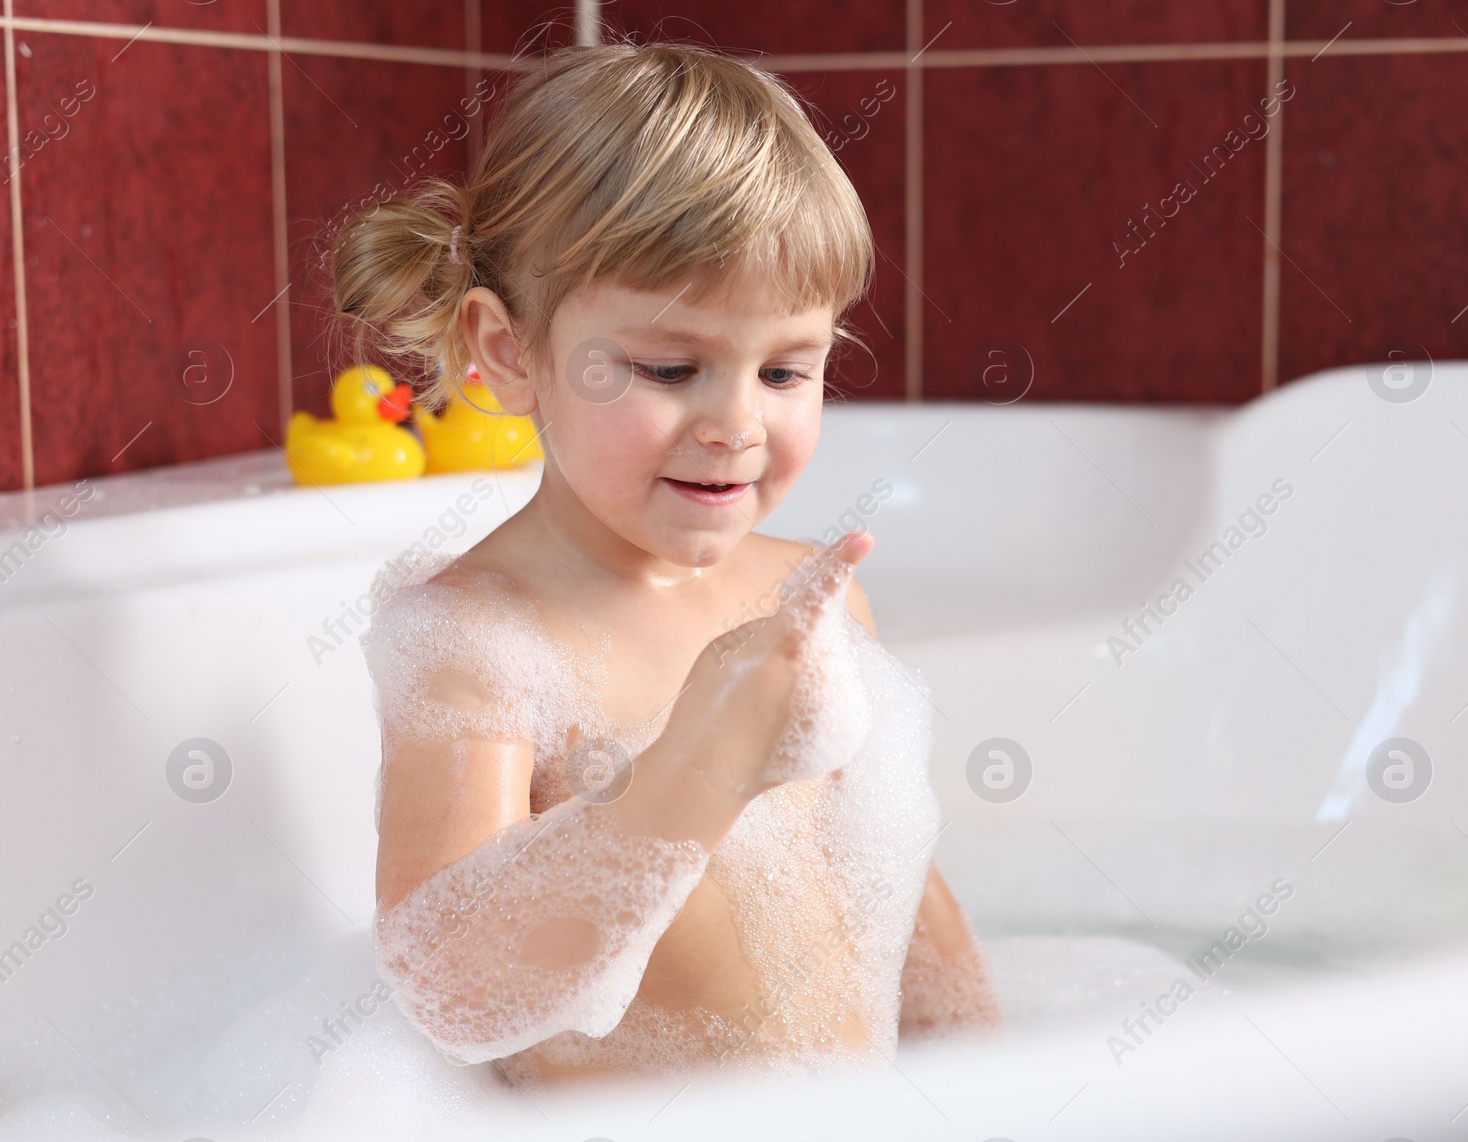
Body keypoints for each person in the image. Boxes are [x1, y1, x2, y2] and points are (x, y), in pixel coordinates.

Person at [337, 39, 1002, 1087]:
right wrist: (701, 761)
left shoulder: (810, 595)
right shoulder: (481, 635)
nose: (735, 422)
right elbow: (448, 980)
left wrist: (999, 1079)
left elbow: (897, 891)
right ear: (508, 352)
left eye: (786, 368)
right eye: (669, 366)